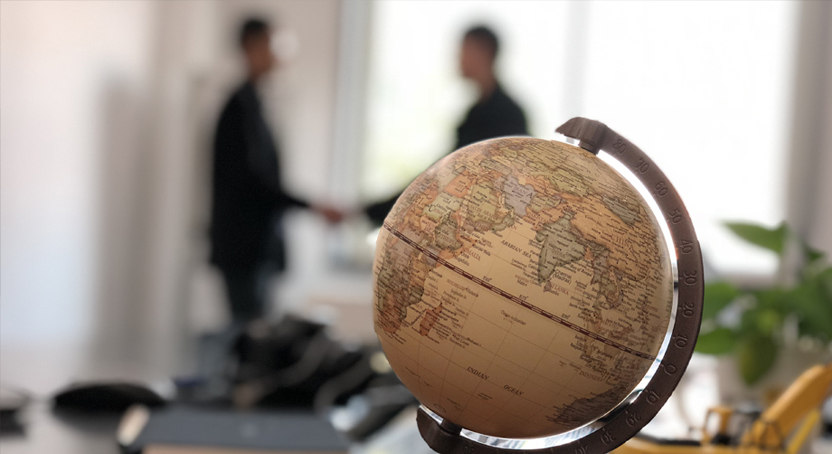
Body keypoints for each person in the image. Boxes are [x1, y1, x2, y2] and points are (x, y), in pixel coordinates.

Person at [209, 17, 338, 324]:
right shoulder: (238, 108)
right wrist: (311, 206)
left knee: (257, 329)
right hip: (244, 249)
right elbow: (253, 182)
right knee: (249, 333)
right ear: (251, 47)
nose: (279, 54)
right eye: (271, 44)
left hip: (256, 249)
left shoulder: (254, 105)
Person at [364, 24, 529, 224]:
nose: (458, 59)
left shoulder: (505, 115)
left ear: (483, 53)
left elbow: (447, 174)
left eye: (463, 51)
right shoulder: (478, 112)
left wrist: (376, 210)